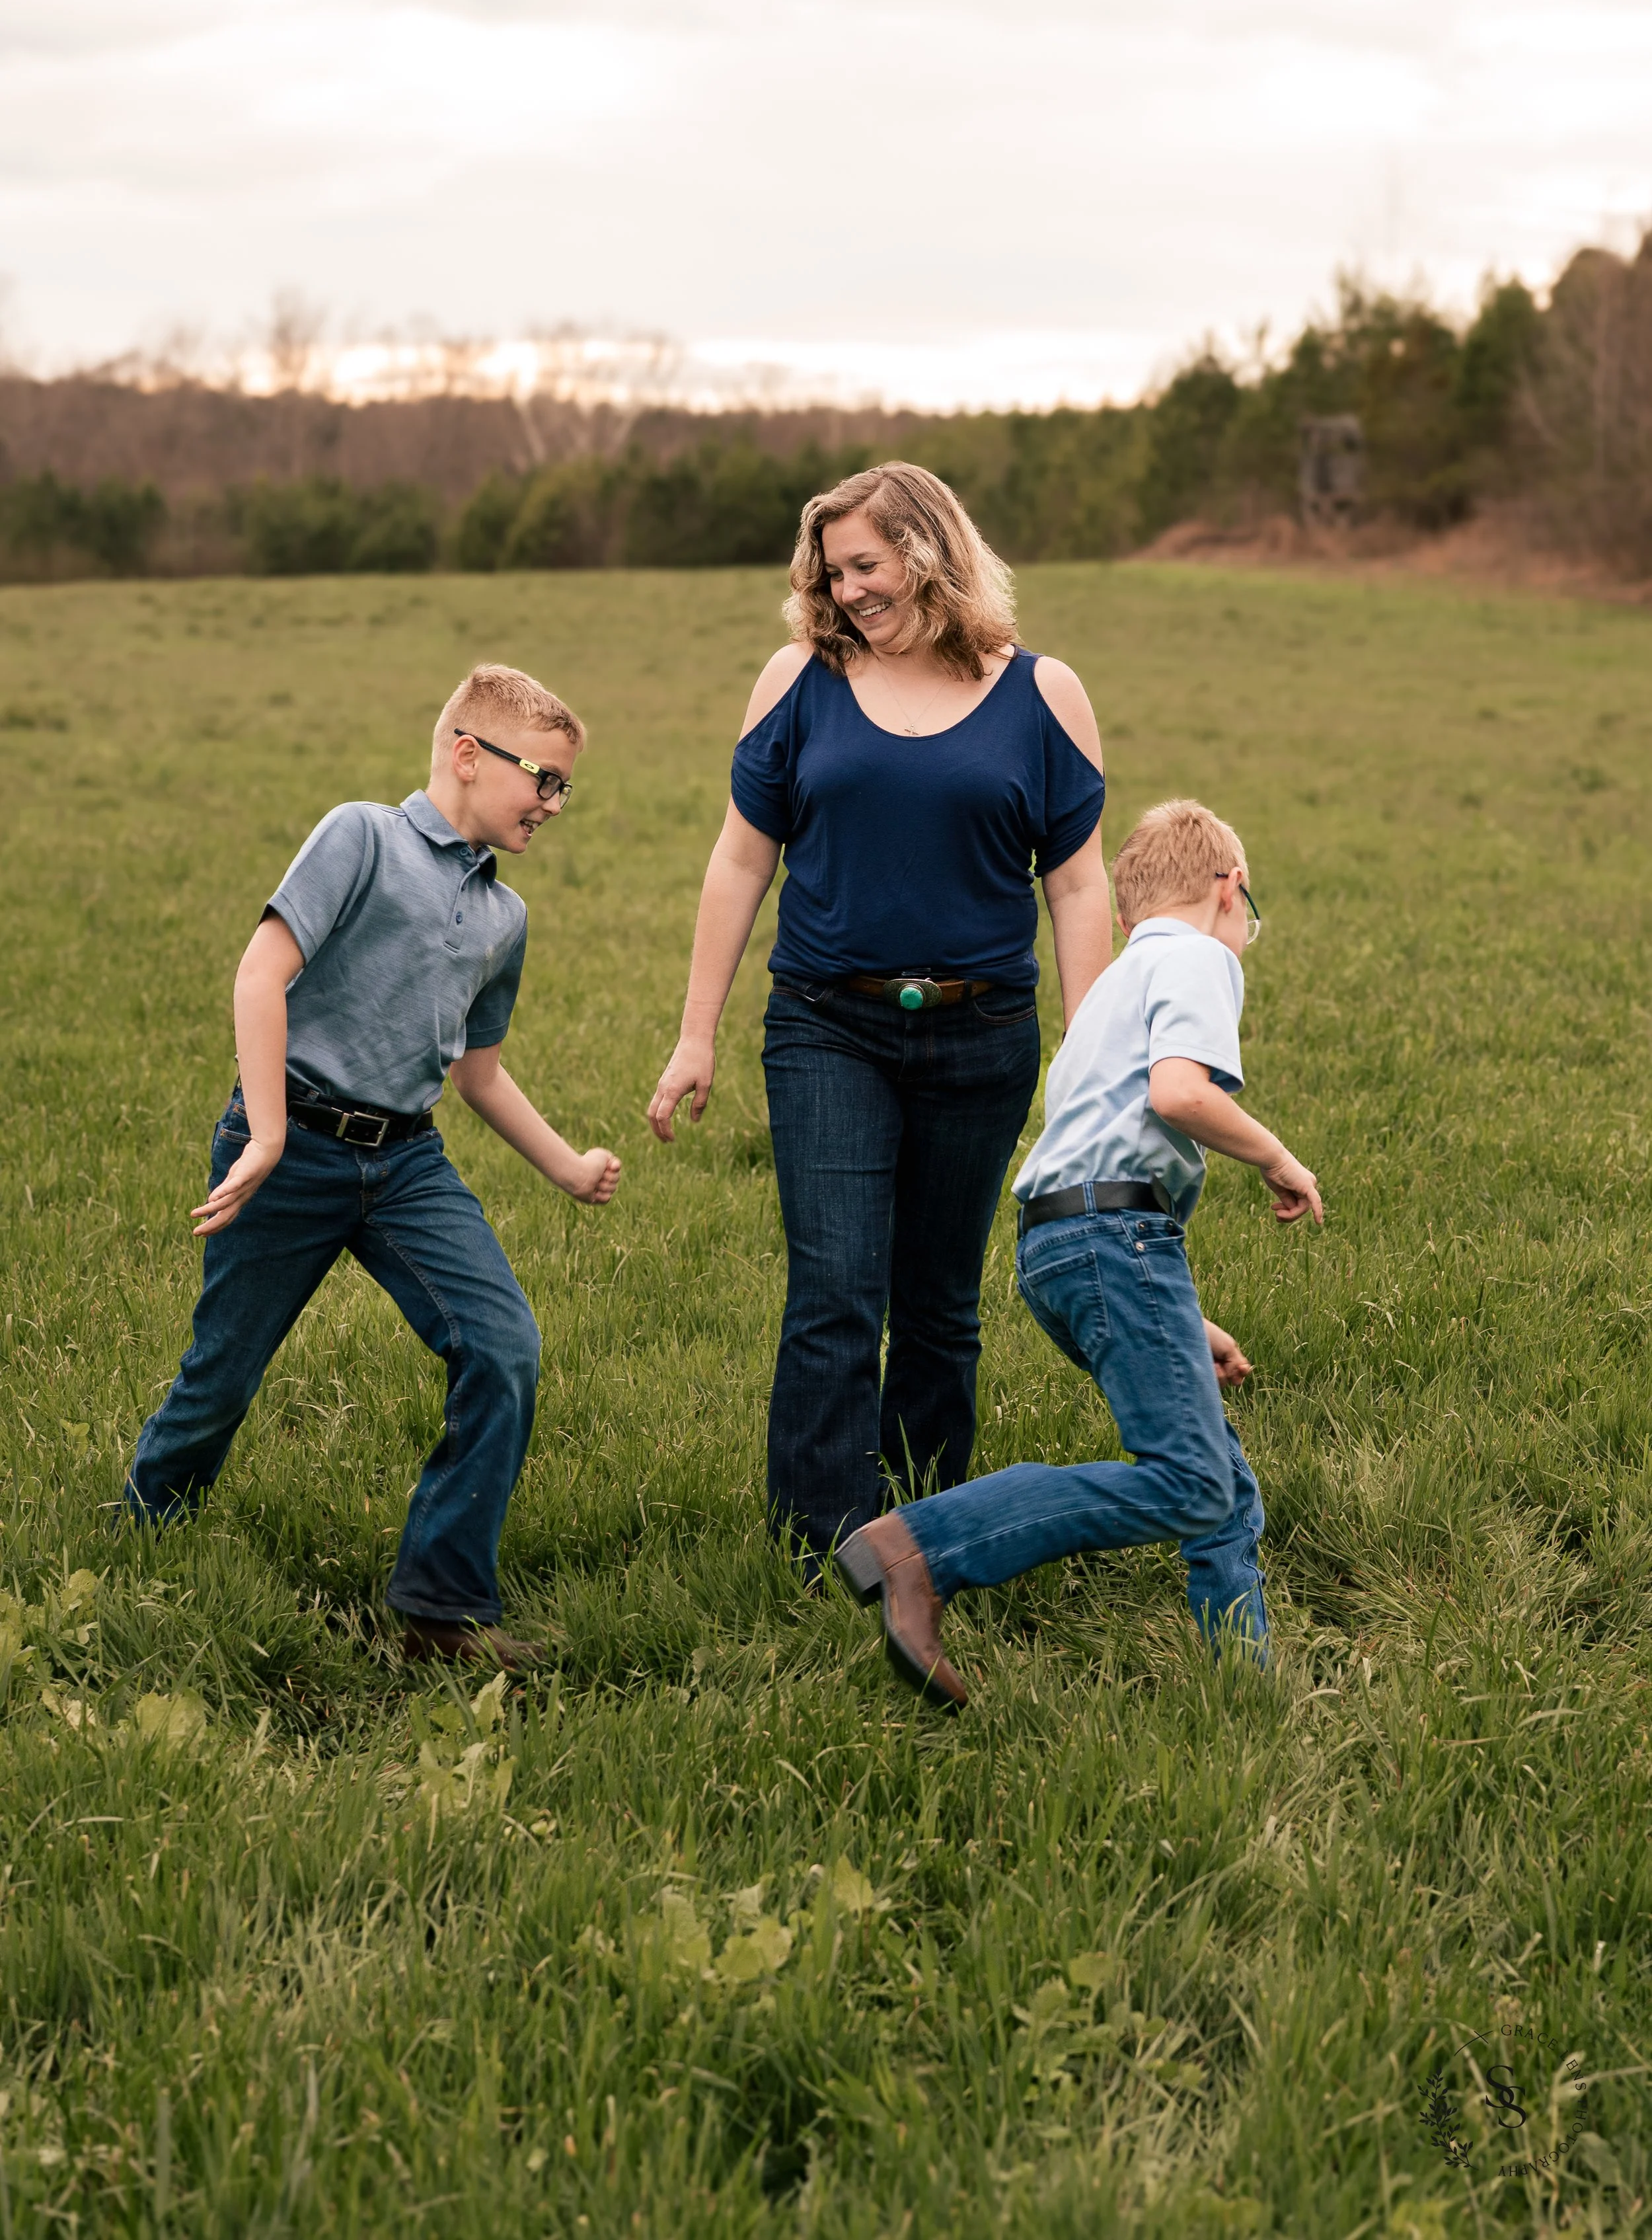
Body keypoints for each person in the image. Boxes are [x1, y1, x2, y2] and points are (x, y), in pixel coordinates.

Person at [647, 463, 1111, 1574]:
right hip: (827, 1025)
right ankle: (821, 1546)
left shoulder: (1043, 694)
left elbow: (1081, 887)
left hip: (983, 1030)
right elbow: (739, 857)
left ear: (932, 549)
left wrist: (1088, 1062)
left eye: (868, 564)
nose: (849, 590)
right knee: (837, 1291)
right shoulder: (798, 679)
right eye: (833, 570)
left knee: (942, 1302)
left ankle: (923, 1533)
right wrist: (696, 1030)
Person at [123, 664, 622, 1669]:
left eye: (567, 787)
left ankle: (441, 1609)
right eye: (546, 779)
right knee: (223, 1373)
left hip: (406, 1165)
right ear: (468, 754)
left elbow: (479, 1073)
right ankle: (139, 1531)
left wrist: (567, 1167)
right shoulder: (363, 835)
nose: (555, 804)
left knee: (503, 1347)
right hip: (292, 1150)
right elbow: (262, 972)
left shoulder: (503, 916)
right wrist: (265, 1135)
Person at [836, 798, 1323, 1709]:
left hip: (1062, 1245)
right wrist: (1277, 1156)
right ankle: (920, 1545)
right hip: (1115, 1239)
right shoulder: (1203, 956)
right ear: (1231, 890)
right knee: (1185, 1477)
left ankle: (1244, 1691)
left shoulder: (1110, 990)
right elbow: (1180, 1095)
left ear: (1130, 912)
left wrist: (1186, 1320)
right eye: (1246, 915)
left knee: (1220, 1480)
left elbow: (1099, 1147)